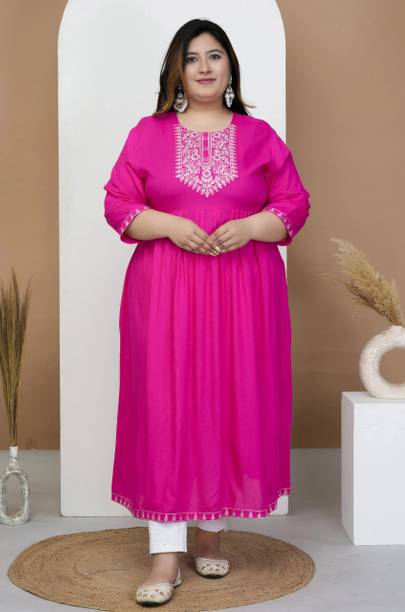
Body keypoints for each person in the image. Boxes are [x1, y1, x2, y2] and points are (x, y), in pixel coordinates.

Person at [103, 18, 311, 606]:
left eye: (215, 55)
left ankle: (211, 534)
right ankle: (165, 554)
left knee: (228, 397)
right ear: (176, 69)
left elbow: (294, 203)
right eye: (192, 57)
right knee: (165, 405)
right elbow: (118, 202)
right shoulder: (147, 134)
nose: (203, 66)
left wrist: (251, 227)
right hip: (165, 289)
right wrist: (170, 225)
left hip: (243, 291)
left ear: (230, 68)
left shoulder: (259, 136)